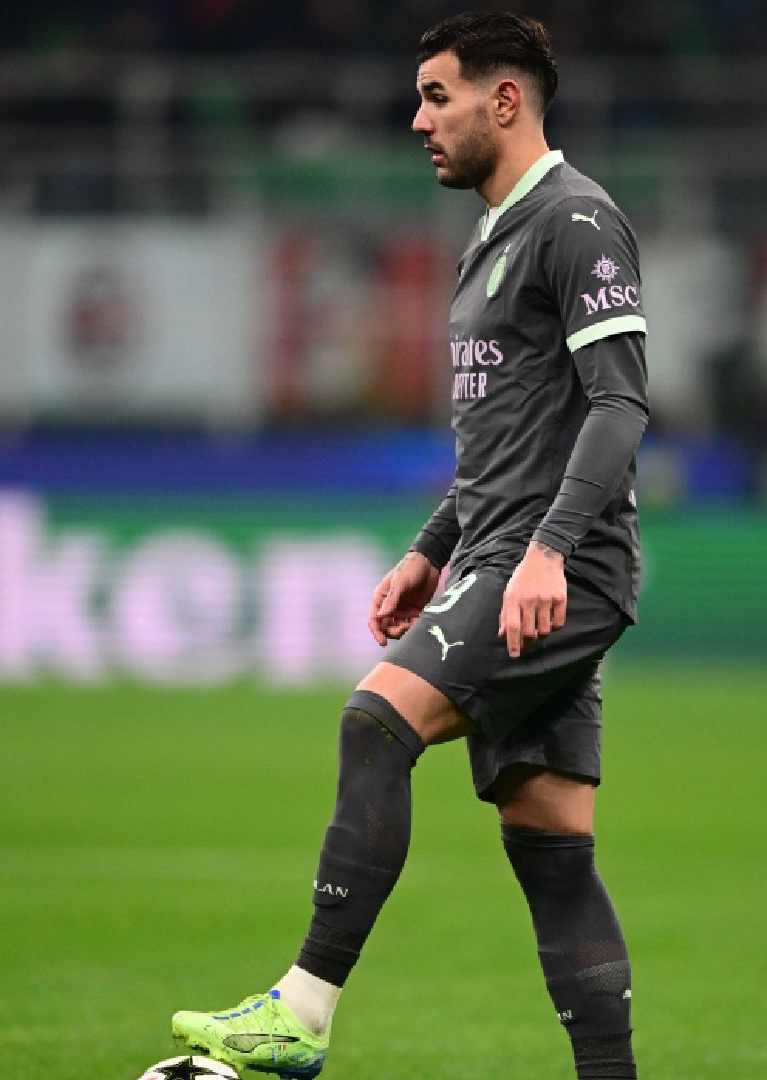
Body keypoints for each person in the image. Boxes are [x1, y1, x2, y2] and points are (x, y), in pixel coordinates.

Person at [170, 13, 649, 1079]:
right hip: (503, 557)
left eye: (438, 96)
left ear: (505, 100)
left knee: (375, 722)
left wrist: (546, 552)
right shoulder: (491, 237)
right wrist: (434, 545)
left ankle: (301, 1013)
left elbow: (619, 406)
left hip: (551, 569)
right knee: (552, 853)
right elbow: (509, 439)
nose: (419, 120)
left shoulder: (576, 221)